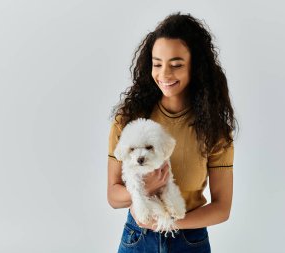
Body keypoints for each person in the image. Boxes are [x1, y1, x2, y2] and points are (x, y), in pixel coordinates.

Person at [107, 11, 238, 253]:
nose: (164, 74)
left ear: (195, 67)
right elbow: (113, 195)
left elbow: (222, 208)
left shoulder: (215, 131)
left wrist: (169, 223)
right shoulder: (128, 120)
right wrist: (143, 189)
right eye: (157, 64)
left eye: (176, 65)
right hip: (137, 238)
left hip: (190, 240)